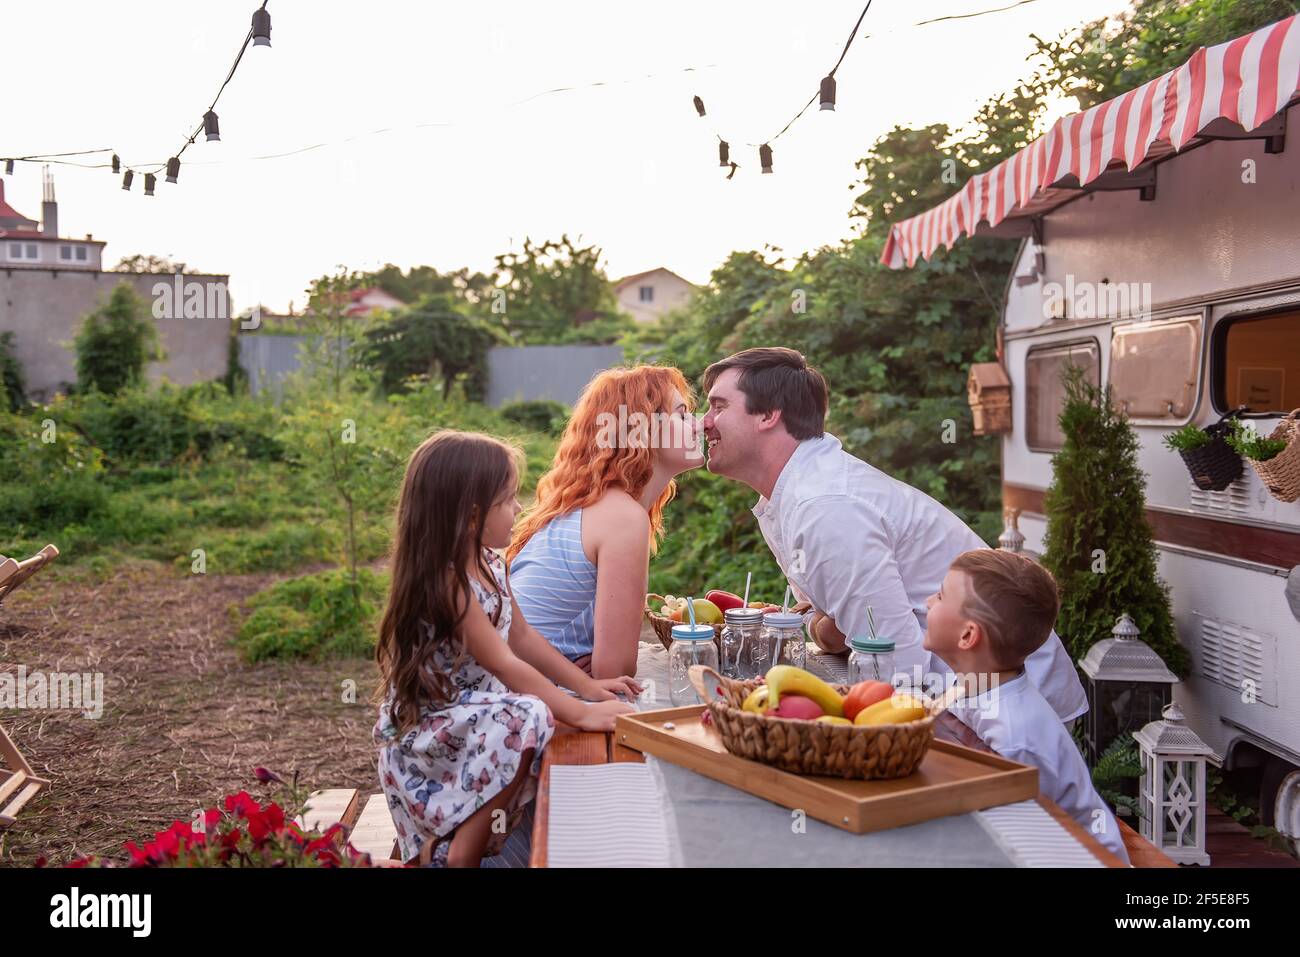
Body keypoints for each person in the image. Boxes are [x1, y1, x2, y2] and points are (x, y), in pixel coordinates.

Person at [699, 346, 1087, 724]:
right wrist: (828, 627)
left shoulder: (824, 506)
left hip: (1005, 717)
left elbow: (896, 663)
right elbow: (840, 627)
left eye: (718, 406)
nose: (704, 421)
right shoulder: (803, 491)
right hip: (966, 697)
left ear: (768, 414)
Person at [373, 430, 638, 867]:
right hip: (433, 729)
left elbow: (524, 638)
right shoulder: (448, 582)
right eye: (509, 499)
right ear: (473, 515)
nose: (519, 508)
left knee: (539, 714)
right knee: (531, 715)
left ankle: (442, 856)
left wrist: (589, 689)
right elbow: (504, 662)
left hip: (471, 716)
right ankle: (459, 858)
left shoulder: (489, 562)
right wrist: (583, 713)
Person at [924, 549, 1129, 864]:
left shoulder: (1015, 738)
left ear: (967, 636)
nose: (927, 602)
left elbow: (1025, 837)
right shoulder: (976, 684)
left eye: (939, 596)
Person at [509, 366, 702, 678]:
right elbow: (615, 673)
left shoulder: (596, 506)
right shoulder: (622, 517)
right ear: (641, 430)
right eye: (681, 414)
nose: (698, 424)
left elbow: (604, 666)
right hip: (513, 698)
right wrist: (589, 671)